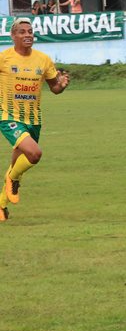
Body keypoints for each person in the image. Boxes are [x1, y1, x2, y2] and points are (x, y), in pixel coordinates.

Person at [0, 19, 71, 223]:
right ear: (13, 36)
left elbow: (54, 88)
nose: (27, 35)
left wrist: (62, 84)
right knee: (34, 154)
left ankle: (1, 205)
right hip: (8, 116)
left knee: (17, 165)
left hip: (33, 119)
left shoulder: (43, 60)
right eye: (22, 32)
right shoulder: (4, 58)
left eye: (30, 31)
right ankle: (11, 179)